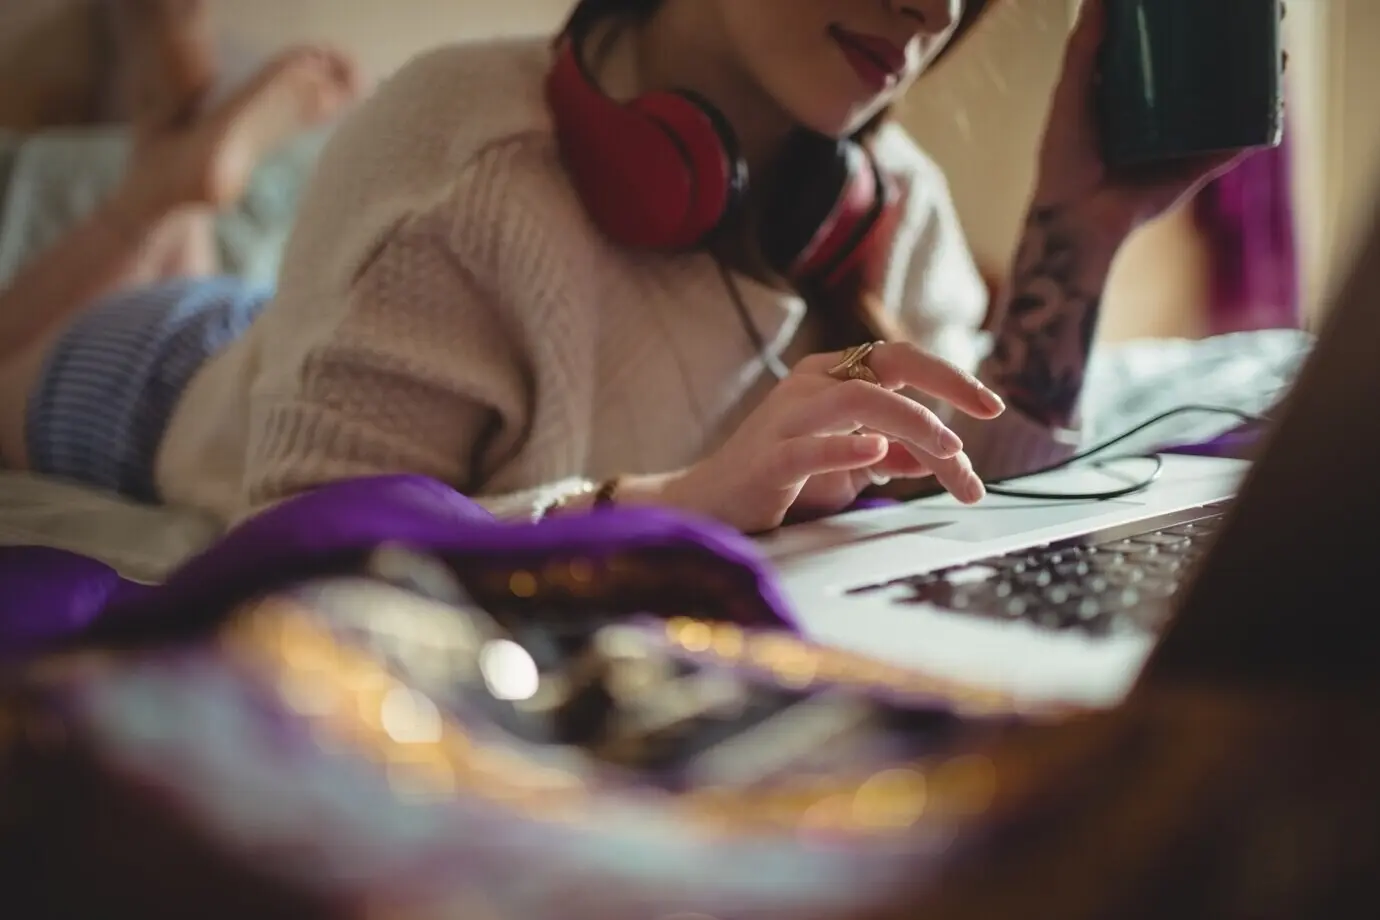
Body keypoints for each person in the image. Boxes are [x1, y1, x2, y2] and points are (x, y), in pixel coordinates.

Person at [0, 0, 1236, 536]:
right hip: (174, 379)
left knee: (206, 259)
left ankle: (179, 164)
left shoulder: (889, 195)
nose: (932, 9)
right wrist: (677, 499)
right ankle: (177, 166)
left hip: (296, 317)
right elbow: (299, 543)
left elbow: (985, 475)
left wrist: (1078, 227)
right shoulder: (458, 146)